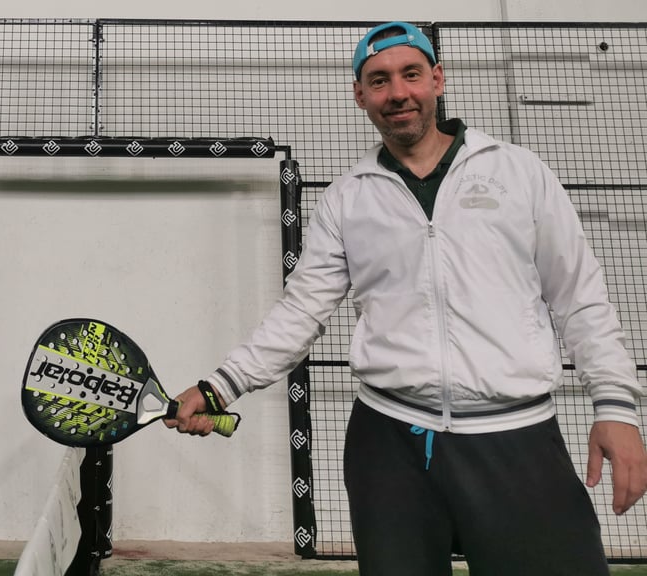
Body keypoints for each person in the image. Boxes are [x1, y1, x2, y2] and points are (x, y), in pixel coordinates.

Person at [165, 21, 647, 576]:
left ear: (437, 79)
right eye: (379, 80)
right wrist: (219, 386)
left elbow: (580, 298)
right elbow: (300, 312)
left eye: (411, 74)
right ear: (360, 94)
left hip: (517, 437)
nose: (397, 93)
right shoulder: (348, 198)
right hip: (389, 442)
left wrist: (616, 408)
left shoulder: (519, 172)